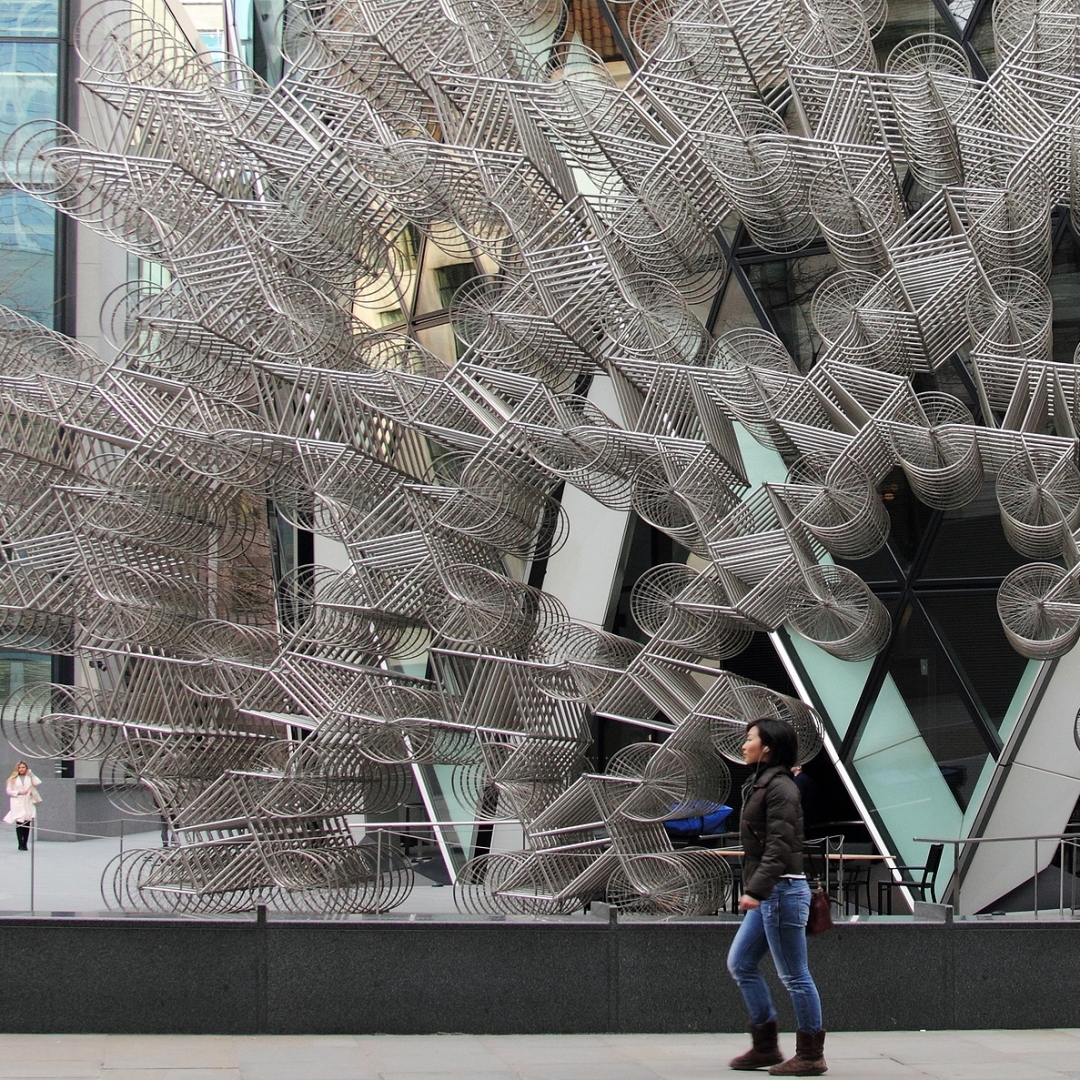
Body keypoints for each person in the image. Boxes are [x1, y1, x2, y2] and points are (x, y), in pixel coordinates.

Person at [727, 719, 826, 1076]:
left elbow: (780, 846)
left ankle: (811, 1054)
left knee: (795, 976)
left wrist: (755, 890)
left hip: (780, 890)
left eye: (749, 739)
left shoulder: (781, 787)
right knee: (740, 963)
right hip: (770, 890)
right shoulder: (765, 782)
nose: (743, 745)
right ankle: (765, 1046)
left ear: (767, 747)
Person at [4, 762, 42, 851]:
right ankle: (20, 843)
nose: (21, 769)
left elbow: (37, 783)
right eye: (20, 767)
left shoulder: (29, 778)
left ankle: (25, 842)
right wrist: (19, 792)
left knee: (27, 821)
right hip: (17, 801)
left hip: (28, 801)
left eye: (23, 767)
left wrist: (31, 774)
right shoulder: (13, 779)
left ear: (26, 768)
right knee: (19, 821)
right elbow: (9, 791)